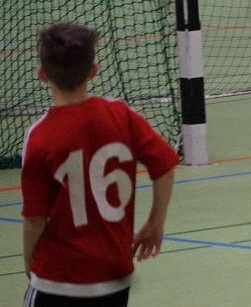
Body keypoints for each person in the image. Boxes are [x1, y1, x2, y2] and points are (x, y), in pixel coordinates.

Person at [21, 22, 179, 307]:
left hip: (58, 278)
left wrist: (28, 259)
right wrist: (156, 222)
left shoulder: (40, 136)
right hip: (113, 278)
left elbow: (35, 217)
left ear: (42, 74)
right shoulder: (122, 115)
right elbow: (165, 165)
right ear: (93, 71)